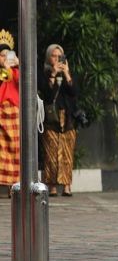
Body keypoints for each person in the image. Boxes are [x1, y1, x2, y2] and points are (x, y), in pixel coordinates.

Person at [39, 43, 79, 197]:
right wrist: (53, 74)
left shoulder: (67, 72)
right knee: (51, 154)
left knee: (67, 154)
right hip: (51, 119)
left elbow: (74, 93)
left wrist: (67, 73)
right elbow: (47, 95)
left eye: (59, 56)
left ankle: (67, 186)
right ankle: (52, 186)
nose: (56, 59)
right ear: (48, 58)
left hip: (67, 119)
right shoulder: (44, 74)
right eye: (53, 56)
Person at [0, 39, 20, 198]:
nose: (5, 58)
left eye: (7, 55)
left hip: (14, 114)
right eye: (1, 55)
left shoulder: (17, 71)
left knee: (14, 149)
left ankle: (13, 187)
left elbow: (21, 83)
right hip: (1, 112)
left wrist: (19, 65)